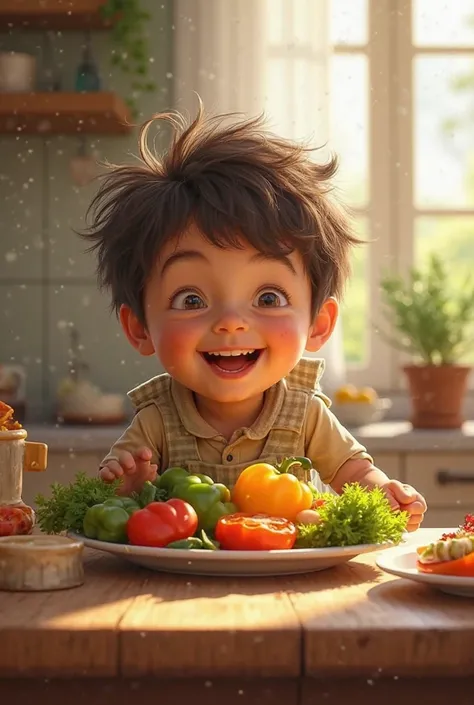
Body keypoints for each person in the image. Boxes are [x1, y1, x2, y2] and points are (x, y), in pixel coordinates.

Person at [81, 103, 426, 531]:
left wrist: (386, 493)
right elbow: (104, 499)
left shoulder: (304, 413)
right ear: (140, 328)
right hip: (183, 582)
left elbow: (353, 473)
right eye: (191, 299)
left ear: (318, 324)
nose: (230, 322)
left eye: (267, 296)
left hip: (291, 582)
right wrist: (129, 484)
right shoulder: (156, 421)